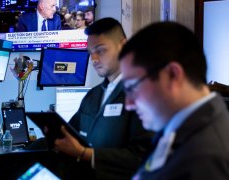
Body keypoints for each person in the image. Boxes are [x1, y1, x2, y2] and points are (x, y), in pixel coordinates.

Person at [118, 22, 229, 179]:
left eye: (132, 87)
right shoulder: (180, 127)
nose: (128, 104)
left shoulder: (206, 159)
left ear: (172, 75)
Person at [53, 17, 153, 179]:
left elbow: (141, 157)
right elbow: (71, 131)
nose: (94, 59)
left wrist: (85, 153)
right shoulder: (92, 96)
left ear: (124, 45)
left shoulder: (142, 93)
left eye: (100, 50)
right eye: (91, 53)